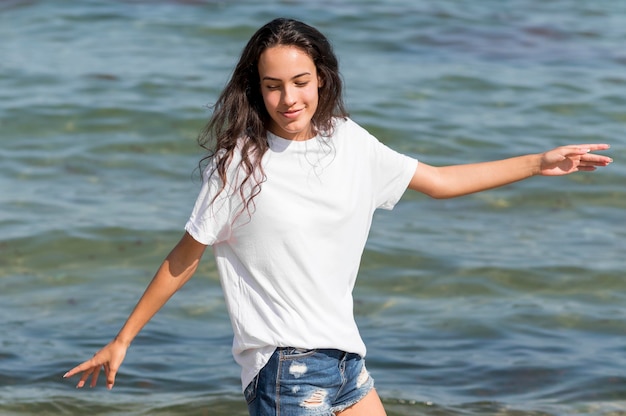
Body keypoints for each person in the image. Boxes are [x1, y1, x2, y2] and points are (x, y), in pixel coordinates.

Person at [64, 17, 612, 416]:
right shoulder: (239, 165)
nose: (288, 98)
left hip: (348, 361)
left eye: (300, 82)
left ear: (320, 78)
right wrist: (123, 340)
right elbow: (184, 258)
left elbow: (441, 182)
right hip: (285, 368)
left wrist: (538, 162)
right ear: (256, 89)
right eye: (273, 85)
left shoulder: (349, 141)